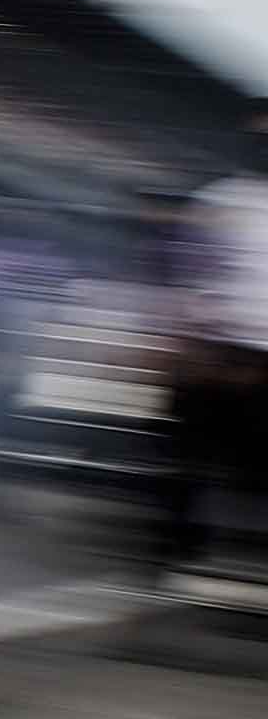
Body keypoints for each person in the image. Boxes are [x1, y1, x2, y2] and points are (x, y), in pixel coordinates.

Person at [156, 111, 268, 603]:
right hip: (221, 354)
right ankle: (172, 554)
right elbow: (187, 278)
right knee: (190, 463)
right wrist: (190, 343)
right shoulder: (221, 203)